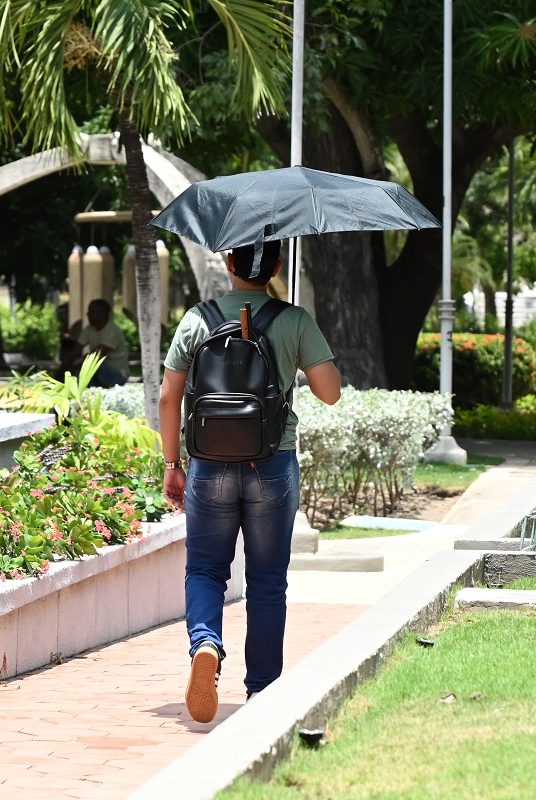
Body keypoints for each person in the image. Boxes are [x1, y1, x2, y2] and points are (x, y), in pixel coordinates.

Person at [158, 240, 341, 724]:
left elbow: (168, 397)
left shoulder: (197, 319)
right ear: (276, 267)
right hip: (273, 464)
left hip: (208, 464)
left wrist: (172, 464)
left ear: (228, 262)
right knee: (266, 581)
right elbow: (330, 394)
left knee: (205, 569)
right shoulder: (293, 319)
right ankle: (262, 690)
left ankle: (206, 645)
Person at [56, 298, 129, 387]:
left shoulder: (113, 330)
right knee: (78, 375)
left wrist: (73, 365)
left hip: (117, 376)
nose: (87, 314)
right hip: (98, 376)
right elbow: (75, 350)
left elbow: (97, 353)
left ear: (101, 313)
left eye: (91, 311)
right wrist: (61, 369)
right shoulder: (89, 329)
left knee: (95, 361)